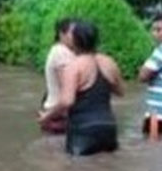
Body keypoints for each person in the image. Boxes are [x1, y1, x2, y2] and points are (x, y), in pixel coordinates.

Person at [38, 20, 124, 156]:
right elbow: (120, 92)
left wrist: (46, 117)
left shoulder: (73, 67)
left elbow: (67, 101)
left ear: (75, 41)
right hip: (108, 127)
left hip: (83, 129)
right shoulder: (110, 62)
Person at [39, 18, 77, 134]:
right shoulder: (61, 53)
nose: (77, 36)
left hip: (56, 112)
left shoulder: (63, 51)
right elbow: (67, 86)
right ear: (62, 34)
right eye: (73, 33)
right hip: (59, 114)